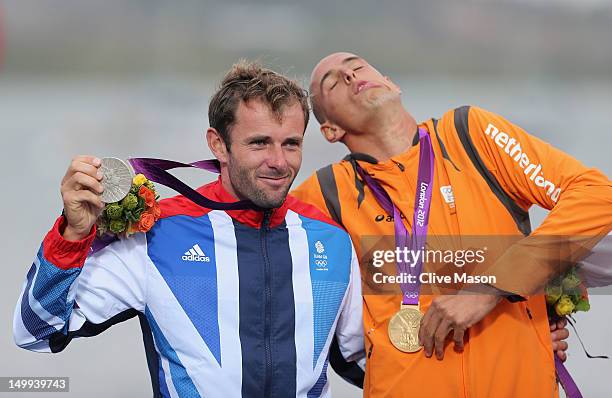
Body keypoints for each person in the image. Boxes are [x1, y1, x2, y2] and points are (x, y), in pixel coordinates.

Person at [13, 61, 365, 397]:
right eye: (259, 143)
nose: (278, 161)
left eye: (291, 144)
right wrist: (72, 238)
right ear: (217, 145)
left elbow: (366, 360)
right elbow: (35, 331)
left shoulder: (331, 240)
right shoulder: (158, 236)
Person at [292, 52, 611, 397]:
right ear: (330, 130)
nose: (351, 76)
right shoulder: (323, 196)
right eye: (334, 82)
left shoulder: (471, 135)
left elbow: (596, 195)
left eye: (357, 66)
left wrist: (491, 289)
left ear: (392, 84)